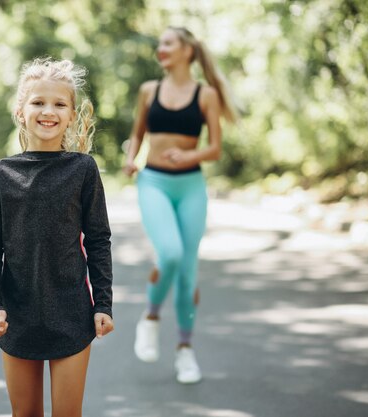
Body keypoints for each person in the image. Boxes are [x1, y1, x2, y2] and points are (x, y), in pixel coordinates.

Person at [0, 57, 114, 417]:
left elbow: (98, 239)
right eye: (38, 102)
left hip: (71, 312)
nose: (48, 111)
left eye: (59, 104)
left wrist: (103, 304)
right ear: (21, 111)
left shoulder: (83, 170)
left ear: (71, 114)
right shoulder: (1, 174)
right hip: (17, 314)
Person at [123, 27, 237, 384]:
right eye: (160, 44)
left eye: (168, 43)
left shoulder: (207, 95)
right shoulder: (148, 90)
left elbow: (215, 148)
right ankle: (151, 317)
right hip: (153, 182)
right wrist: (131, 159)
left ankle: (185, 351)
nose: (161, 48)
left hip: (191, 186)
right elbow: (137, 134)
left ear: (188, 50)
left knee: (188, 274)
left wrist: (189, 154)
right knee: (169, 253)